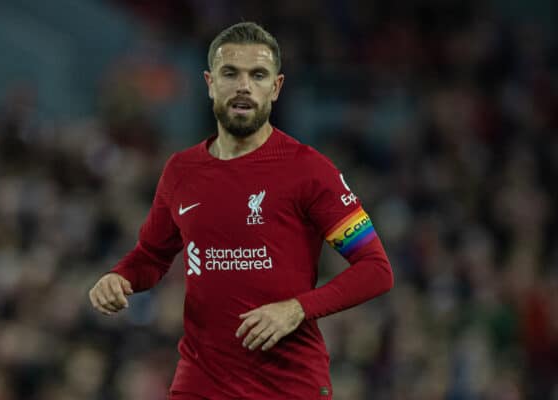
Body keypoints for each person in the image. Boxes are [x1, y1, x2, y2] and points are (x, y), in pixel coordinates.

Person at [89, 21, 393, 400]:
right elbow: (151, 256)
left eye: (258, 75)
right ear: (209, 82)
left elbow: (376, 270)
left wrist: (297, 309)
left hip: (287, 385)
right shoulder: (181, 171)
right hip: (201, 383)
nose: (243, 86)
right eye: (230, 73)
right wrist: (119, 278)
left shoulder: (310, 170)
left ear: (276, 87)